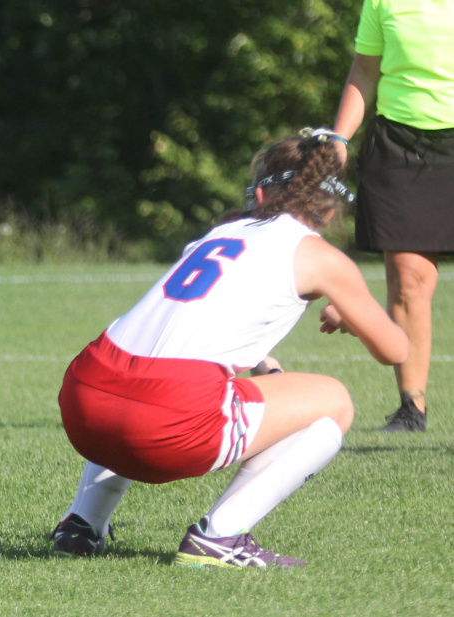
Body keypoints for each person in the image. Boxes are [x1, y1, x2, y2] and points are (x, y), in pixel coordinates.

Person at [48, 129, 408, 568]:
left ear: (260, 192)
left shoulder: (224, 232)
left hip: (85, 397)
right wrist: (348, 313)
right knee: (335, 401)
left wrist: (266, 367)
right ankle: (219, 538)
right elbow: (395, 350)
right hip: (162, 419)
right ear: (330, 209)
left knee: (140, 381)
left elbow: (192, 318)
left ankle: (82, 523)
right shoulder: (321, 258)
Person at [330, 0, 454, 432]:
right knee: (408, 278)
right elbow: (365, 72)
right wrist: (339, 137)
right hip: (400, 145)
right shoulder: (382, 2)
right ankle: (411, 409)